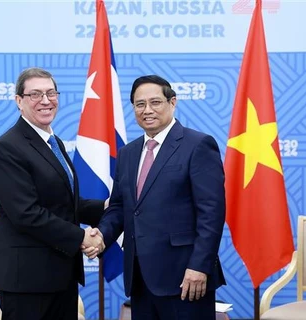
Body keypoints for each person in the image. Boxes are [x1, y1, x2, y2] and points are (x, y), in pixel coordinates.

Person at [87, 75, 226, 319]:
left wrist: (199, 266)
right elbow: (120, 207)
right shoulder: (128, 153)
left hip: (186, 277)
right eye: (140, 104)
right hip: (140, 277)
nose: (147, 110)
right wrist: (101, 236)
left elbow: (211, 213)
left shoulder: (198, 145)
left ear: (173, 102)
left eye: (155, 102)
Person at [0, 67, 105, 320]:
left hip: (61, 274)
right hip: (28, 282)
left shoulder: (53, 142)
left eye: (51, 93)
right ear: (19, 101)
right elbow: (26, 213)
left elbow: (62, 202)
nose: (45, 100)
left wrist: (106, 207)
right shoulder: (8, 147)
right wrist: (81, 237)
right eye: (35, 94)